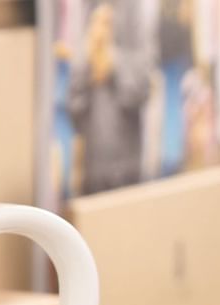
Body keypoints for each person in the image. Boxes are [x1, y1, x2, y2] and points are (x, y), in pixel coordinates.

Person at [68, 0, 152, 194]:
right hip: (91, 166)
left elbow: (144, 83)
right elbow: (74, 104)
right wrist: (90, 54)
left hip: (127, 167)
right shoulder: (83, 8)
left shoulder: (134, 8)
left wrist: (112, 60)